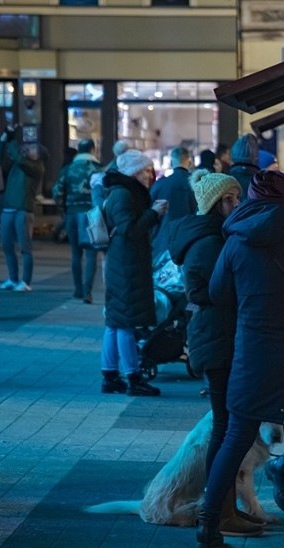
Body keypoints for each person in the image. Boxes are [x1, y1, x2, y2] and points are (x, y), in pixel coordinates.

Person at [197, 170, 284, 548]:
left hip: (252, 354)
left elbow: (218, 294)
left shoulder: (237, 240)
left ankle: (208, 526)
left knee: (235, 437)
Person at [168, 169, 260, 536]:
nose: (237, 204)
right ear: (215, 204)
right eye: (231, 200)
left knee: (228, 426)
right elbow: (199, 291)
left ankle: (225, 507)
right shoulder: (207, 242)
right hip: (215, 338)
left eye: (238, 198)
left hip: (219, 336)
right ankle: (219, 512)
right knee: (225, 427)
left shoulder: (215, 236)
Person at [99, 150, 168, 397]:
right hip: (127, 264)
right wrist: (154, 214)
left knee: (115, 322)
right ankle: (133, 377)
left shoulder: (122, 192)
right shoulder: (124, 194)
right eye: (146, 171)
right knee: (126, 322)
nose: (150, 175)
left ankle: (109, 376)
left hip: (123, 262)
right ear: (134, 172)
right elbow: (130, 228)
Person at [0, 126, 47, 293]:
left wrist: (10, 139)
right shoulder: (19, 164)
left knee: (25, 246)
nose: (27, 149)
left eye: (32, 149)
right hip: (9, 209)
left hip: (23, 210)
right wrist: (3, 141)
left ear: (38, 156)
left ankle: (25, 281)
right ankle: (12, 278)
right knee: (6, 245)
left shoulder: (36, 167)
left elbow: (19, 159)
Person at [51, 139, 102, 303]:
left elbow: (57, 192)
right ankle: (88, 291)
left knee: (75, 254)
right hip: (92, 214)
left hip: (72, 214)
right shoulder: (98, 169)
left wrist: (63, 209)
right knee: (92, 254)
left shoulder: (68, 169)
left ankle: (77, 290)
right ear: (93, 150)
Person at [149, 146, 197, 260]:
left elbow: (150, 213)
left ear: (171, 162)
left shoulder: (160, 185)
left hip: (163, 241)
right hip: (190, 240)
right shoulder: (197, 184)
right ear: (189, 162)